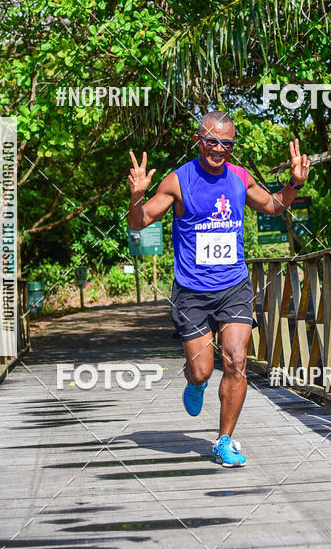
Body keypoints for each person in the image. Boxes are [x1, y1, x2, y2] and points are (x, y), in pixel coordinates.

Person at [127, 110, 310, 467]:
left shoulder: (240, 177)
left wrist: (294, 184)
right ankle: (194, 383)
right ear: (199, 141)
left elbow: (273, 206)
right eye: (212, 142)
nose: (219, 150)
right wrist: (136, 194)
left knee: (237, 360)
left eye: (227, 144)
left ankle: (224, 440)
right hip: (191, 292)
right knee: (201, 370)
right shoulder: (178, 181)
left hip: (234, 286)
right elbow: (140, 221)